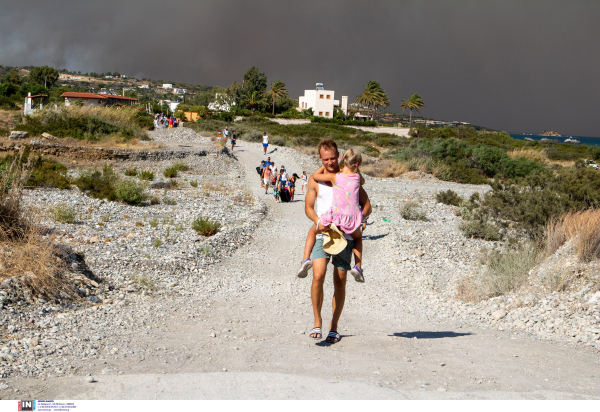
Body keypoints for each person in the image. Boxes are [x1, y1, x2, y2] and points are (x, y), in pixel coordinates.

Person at [300, 140, 371, 343]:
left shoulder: (348, 177)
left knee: (339, 283)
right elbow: (308, 207)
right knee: (318, 275)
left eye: (333, 158)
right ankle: (317, 320)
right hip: (324, 233)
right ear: (320, 159)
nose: (330, 162)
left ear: (339, 156)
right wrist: (317, 221)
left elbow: (367, 205)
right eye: (326, 159)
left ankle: (334, 326)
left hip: (346, 237)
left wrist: (359, 220)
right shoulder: (317, 180)